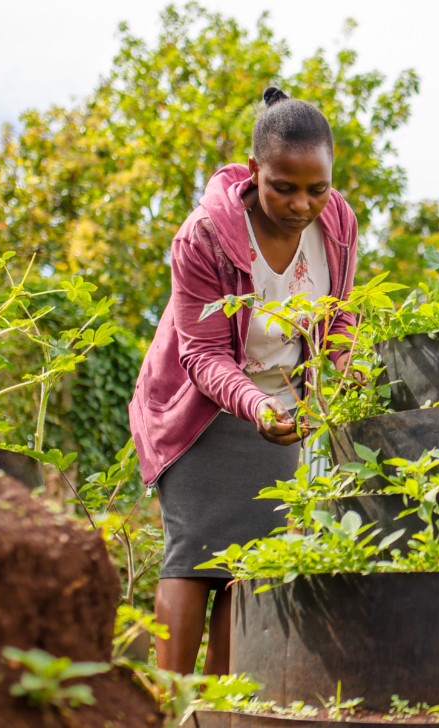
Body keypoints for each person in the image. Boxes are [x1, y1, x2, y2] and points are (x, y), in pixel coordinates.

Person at [128, 86, 359, 674]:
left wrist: (347, 370)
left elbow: (338, 316)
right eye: (284, 186)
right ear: (255, 171)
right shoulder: (204, 234)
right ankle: (172, 709)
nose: (303, 203)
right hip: (196, 412)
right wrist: (255, 406)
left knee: (248, 568)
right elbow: (201, 354)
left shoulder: (338, 224)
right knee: (193, 557)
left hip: (279, 414)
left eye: (318, 188)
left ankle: (226, 708)